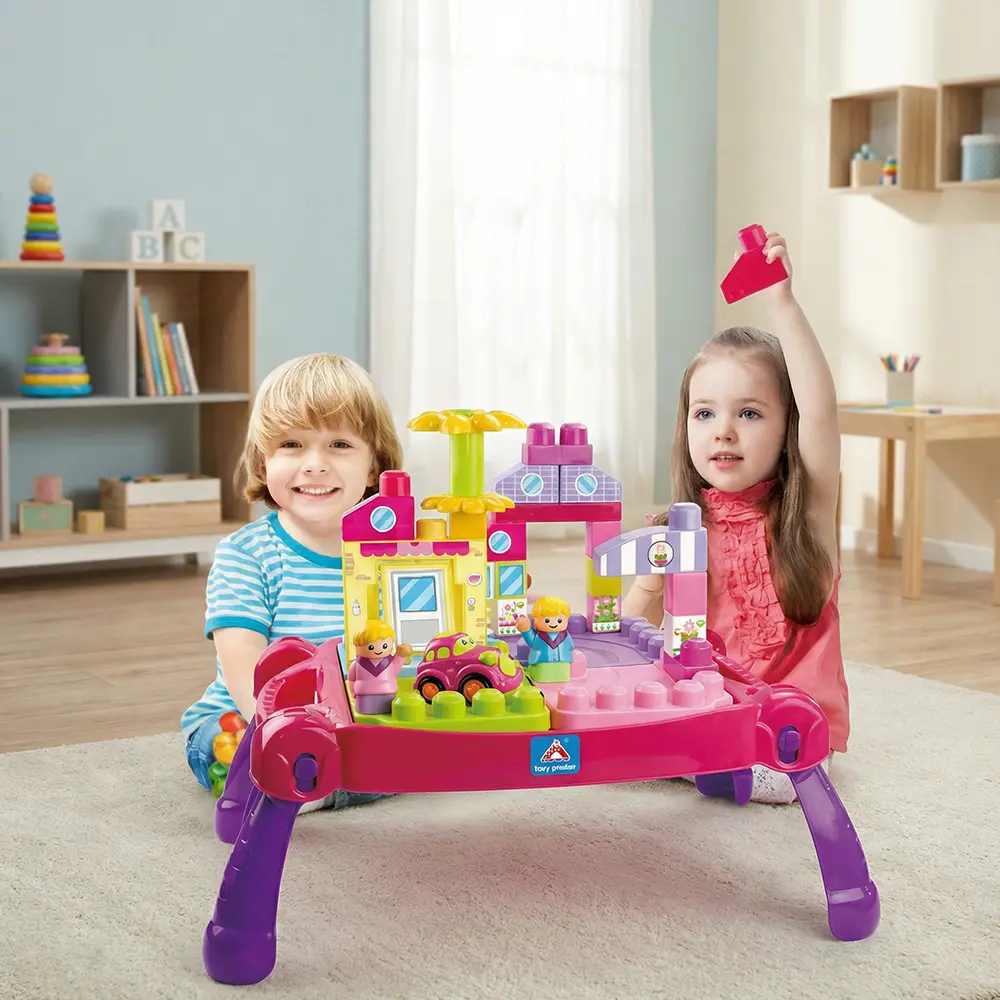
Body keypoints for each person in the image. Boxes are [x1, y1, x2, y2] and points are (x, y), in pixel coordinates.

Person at [622, 231, 846, 805]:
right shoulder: (676, 528)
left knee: (776, 763)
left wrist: (782, 304)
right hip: (705, 703)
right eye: (705, 412)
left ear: (785, 430)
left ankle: (720, 761)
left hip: (786, 721)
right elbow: (629, 617)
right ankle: (701, 752)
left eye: (748, 412)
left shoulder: (805, 516)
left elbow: (820, 408)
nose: (722, 429)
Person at [181, 353, 404, 812]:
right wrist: (278, 732)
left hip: (360, 718)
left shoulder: (395, 554)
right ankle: (300, 778)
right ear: (262, 464)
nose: (315, 465)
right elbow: (244, 665)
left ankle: (311, 789)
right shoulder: (246, 555)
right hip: (253, 717)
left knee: (410, 749)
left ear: (374, 468)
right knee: (222, 743)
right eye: (292, 445)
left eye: (340, 445)